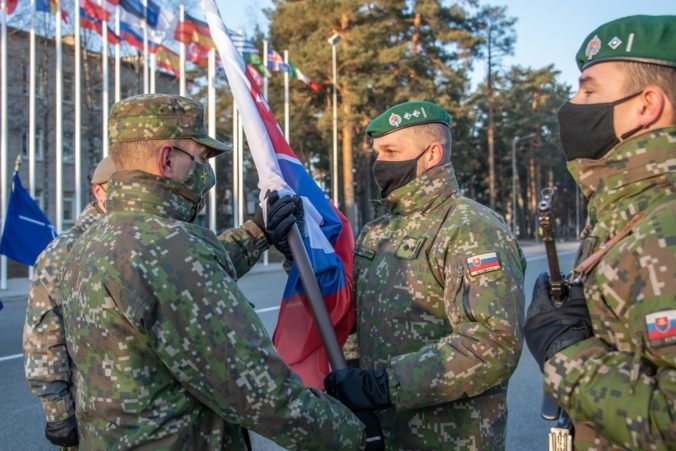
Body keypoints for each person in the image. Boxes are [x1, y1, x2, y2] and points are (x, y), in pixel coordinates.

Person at [60, 94, 366, 450]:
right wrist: (354, 434)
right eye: (201, 157)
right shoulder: (170, 248)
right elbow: (259, 392)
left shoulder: (93, 238)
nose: (205, 171)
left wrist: (259, 231)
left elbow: (186, 278)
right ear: (167, 159)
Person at [325, 101, 527, 449]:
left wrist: (385, 385)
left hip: (451, 437)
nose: (380, 163)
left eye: (391, 151)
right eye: (377, 153)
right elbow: (355, 317)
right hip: (383, 433)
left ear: (432, 153)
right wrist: (355, 375)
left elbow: (493, 342)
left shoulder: (470, 227)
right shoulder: (377, 232)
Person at [524, 15, 676, 450]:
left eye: (588, 89)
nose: (572, 104)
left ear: (646, 105)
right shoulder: (623, 208)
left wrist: (567, 353)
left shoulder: (665, 222)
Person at [23, 156, 116, 448]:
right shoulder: (66, 250)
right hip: (91, 416)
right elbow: (43, 338)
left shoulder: (133, 239)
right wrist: (58, 415)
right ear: (99, 192)